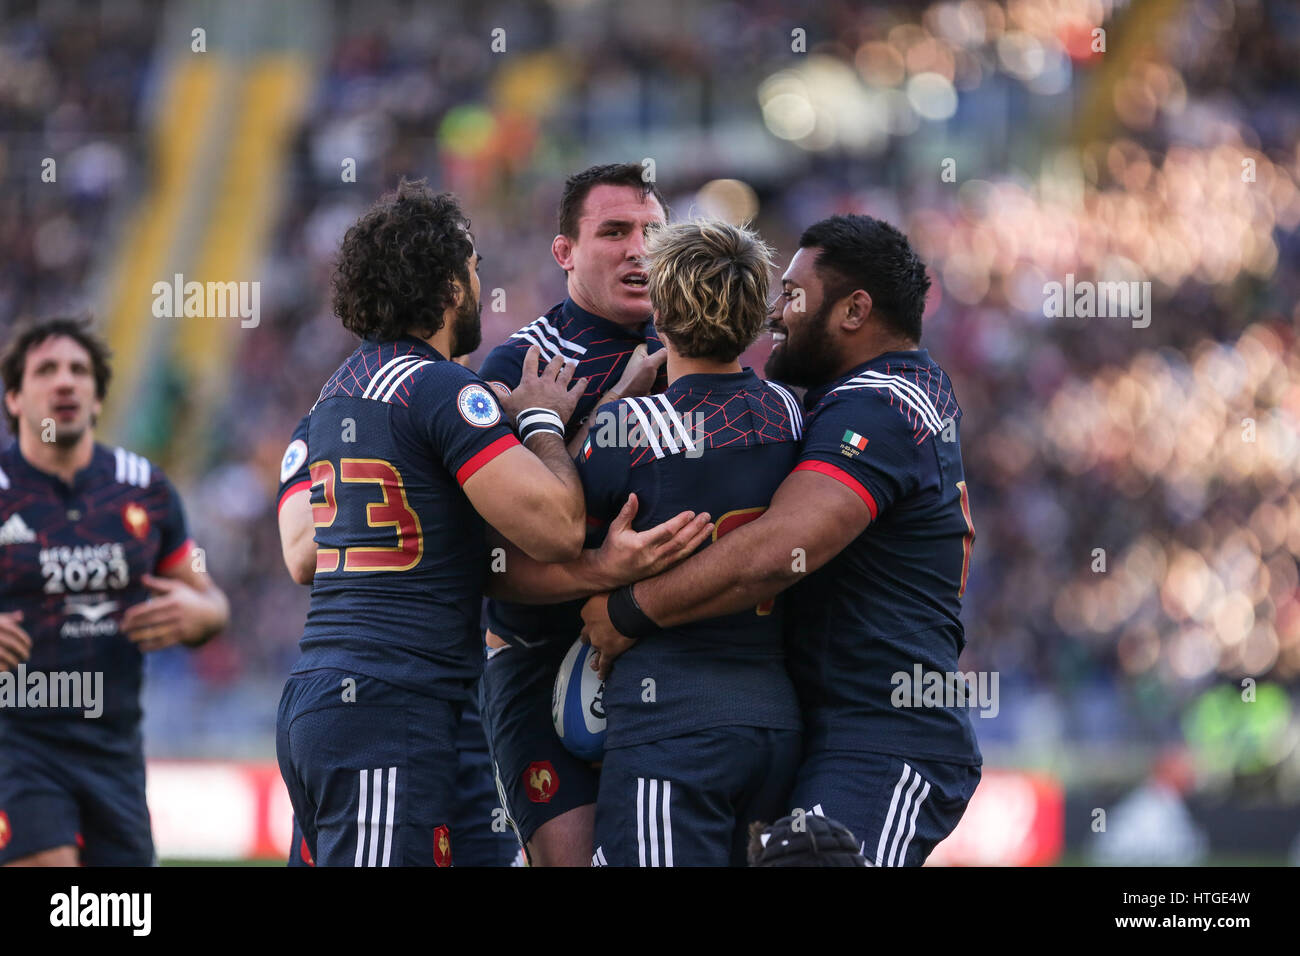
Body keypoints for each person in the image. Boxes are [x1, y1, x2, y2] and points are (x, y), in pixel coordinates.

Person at [582, 214, 983, 867]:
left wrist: (629, 609)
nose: (776, 313)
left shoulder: (878, 404)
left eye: (794, 295)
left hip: (886, 735)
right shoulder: (833, 401)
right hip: (820, 728)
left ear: (855, 310)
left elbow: (778, 549)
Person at [275, 180, 588, 867]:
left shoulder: (330, 401)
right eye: (474, 272)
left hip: (359, 699)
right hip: (389, 706)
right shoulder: (440, 386)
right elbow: (560, 530)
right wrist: (541, 422)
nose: (480, 287)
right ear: (448, 286)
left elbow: (303, 554)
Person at [578, 219, 805, 866]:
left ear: (662, 309)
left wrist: (577, 414)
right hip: (774, 717)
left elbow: (548, 517)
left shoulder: (633, 422)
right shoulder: (793, 413)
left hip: (671, 720)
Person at [475, 163, 671, 866]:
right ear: (565, 252)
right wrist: (607, 414)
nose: (639, 250)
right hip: (541, 657)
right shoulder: (520, 367)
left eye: (653, 231)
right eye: (614, 232)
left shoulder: (698, 351)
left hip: (669, 654)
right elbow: (495, 553)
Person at [0, 317, 229, 866]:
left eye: (79, 371)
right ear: (13, 398)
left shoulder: (144, 489)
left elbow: (210, 597)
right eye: (46, 370)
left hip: (114, 748)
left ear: (98, 399)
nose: (65, 382)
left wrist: (200, 617)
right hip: (16, 742)